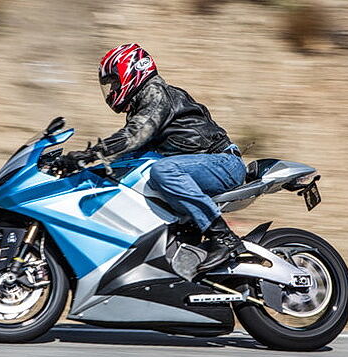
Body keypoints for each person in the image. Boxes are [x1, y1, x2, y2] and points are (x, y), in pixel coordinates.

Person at [55, 43, 247, 272]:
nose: (113, 89)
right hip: (199, 165)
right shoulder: (142, 105)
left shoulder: (155, 93)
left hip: (222, 163)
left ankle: (223, 237)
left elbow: (133, 136)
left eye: (115, 81)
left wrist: (88, 155)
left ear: (131, 71)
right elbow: (126, 157)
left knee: (163, 171)